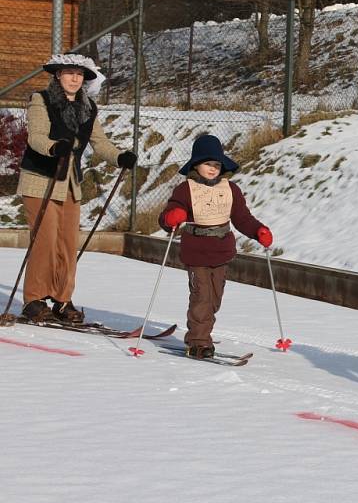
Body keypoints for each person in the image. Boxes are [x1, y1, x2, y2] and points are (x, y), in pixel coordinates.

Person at [17, 53, 137, 323]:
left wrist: (119, 157)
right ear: (58, 75)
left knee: (67, 244)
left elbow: (100, 142)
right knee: (45, 241)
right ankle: (34, 299)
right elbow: (36, 136)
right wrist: (53, 146)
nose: (74, 78)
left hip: (70, 183)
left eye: (80, 74)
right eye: (69, 72)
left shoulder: (88, 107)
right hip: (41, 180)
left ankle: (62, 299)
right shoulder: (42, 100)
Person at [158, 134, 273, 359]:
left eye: (217, 164)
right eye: (207, 163)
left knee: (214, 298)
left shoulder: (231, 190)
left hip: (221, 251)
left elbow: (242, 218)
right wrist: (174, 216)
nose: (212, 168)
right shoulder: (185, 190)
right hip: (196, 251)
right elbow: (166, 217)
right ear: (196, 164)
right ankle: (198, 342)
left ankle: (202, 332)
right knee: (201, 296)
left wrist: (258, 231)